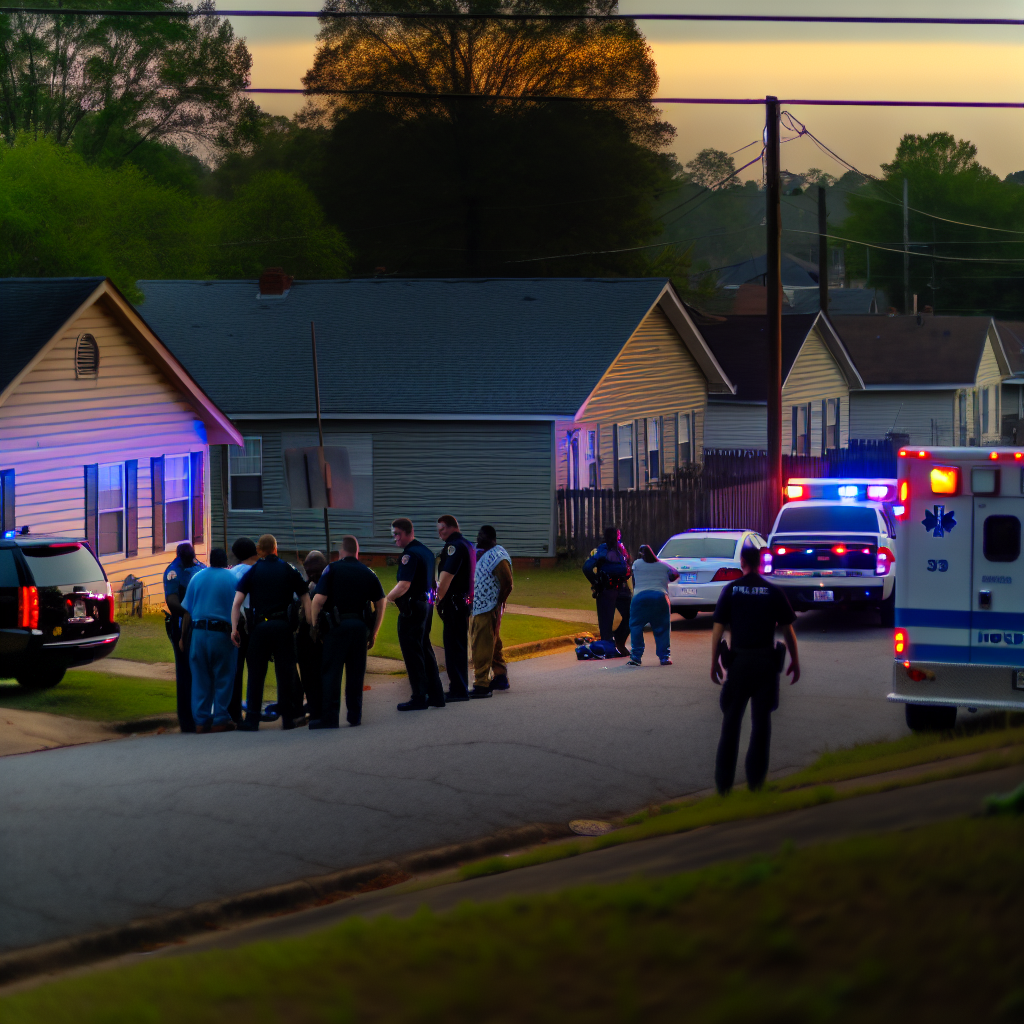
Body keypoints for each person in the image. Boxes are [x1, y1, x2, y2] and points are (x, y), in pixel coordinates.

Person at [710, 543, 800, 794]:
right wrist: (795, 660)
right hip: (765, 666)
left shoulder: (731, 590)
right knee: (761, 726)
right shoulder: (773, 591)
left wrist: (713, 662)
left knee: (730, 724)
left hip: (738, 665)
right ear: (760, 563)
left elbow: (718, 628)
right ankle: (756, 783)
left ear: (742, 562)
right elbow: (787, 631)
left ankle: (724, 786)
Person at [230, 534, 311, 732]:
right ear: (275, 548)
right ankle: (288, 719)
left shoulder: (254, 571)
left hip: (260, 627)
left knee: (256, 673)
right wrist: (310, 622)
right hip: (283, 626)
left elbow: (237, 602)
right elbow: (305, 596)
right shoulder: (287, 568)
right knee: (285, 673)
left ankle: (252, 719)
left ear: (259, 550)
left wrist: (234, 629)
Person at [309, 535, 386, 729]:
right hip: (359, 628)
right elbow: (381, 602)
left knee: (332, 673)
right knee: (356, 673)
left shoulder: (332, 569)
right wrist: (373, 632)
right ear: (357, 551)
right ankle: (354, 716)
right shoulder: (368, 572)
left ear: (341, 551)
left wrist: (315, 627)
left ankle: (330, 718)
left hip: (336, 628)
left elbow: (318, 600)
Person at [386, 518, 446, 712]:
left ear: (407, 532)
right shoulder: (426, 552)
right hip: (426, 604)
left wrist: (387, 599)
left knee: (412, 652)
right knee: (425, 648)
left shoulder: (410, 555)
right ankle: (436, 694)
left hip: (413, 608)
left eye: (397, 534)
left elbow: (404, 585)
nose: (395, 538)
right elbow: (434, 582)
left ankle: (419, 696)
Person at [180, 548, 238, 733]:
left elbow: (187, 610)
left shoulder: (196, 578)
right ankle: (220, 718)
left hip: (198, 632)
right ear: (225, 560)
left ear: (210, 560)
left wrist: (183, 638)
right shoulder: (232, 578)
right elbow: (239, 608)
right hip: (221, 632)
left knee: (200, 677)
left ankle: (201, 720)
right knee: (224, 675)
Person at [163, 541, 205, 733]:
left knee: (201, 669)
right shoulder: (173, 572)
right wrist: (187, 612)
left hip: (200, 623)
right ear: (180, 555)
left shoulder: (199, 567)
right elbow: (172, 602)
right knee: (185, 670)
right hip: (181, 625)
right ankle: (187, 720)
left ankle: (202, 714)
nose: (190, 558)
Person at [468, 525, 513, 698]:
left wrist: (498, 603)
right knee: (492, 641)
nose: (479, 538)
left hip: (489, 607)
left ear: (492, 538)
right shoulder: (479, 552)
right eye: (478, 534)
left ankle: (482, 684)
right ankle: (500, 676)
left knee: (481, 644)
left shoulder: (498, 557)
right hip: (478, 605)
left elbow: (507, 584)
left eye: (482, 536)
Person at [434, 514, 475, 701]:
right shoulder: (467, 544)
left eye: (441, 529)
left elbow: (447, 576)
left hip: (453, 603)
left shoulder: (454, 546)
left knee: (452, 647)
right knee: (459, 645)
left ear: (450, 527)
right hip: (464, 601)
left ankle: (458, 689)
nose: (440, 533)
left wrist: (437, 600)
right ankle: (461, 686)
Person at [627, 544, 679, 667]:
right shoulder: (662, 565)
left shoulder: (636, 564)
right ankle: (664, 657)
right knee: (662, 628)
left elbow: (633, 577)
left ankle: (636, 657)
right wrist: (667, 579)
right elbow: (675, 573)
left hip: (640, 598)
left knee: (636, 626)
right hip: (660, 597)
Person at [583, 526, 632, 656]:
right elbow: (586, 568)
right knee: (628, 616)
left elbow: (587, 568)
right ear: (618, 536)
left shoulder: (603, 550)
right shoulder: (618, 551)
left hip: (609, 590)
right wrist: (597, 583)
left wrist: (595, 583)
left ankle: (612, 646)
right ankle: (615, 645)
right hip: (617, 589)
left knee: (609, 622)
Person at [227, 537, 258, 724]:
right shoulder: (258, 571)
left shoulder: (232, 574)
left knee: (236, 670)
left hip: (237, 624)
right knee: (255, 669)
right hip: (256, 624)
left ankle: (235, 712)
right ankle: (253, 710)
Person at [296, 550, 328, 722]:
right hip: (306, 639)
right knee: (308, 675)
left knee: (319, 674)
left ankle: (320, 708)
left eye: (315, 570)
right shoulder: (306, 585)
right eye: (309, 571)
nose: (312, 574)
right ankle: (314, 704)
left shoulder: (327, 585)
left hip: (320, 638)